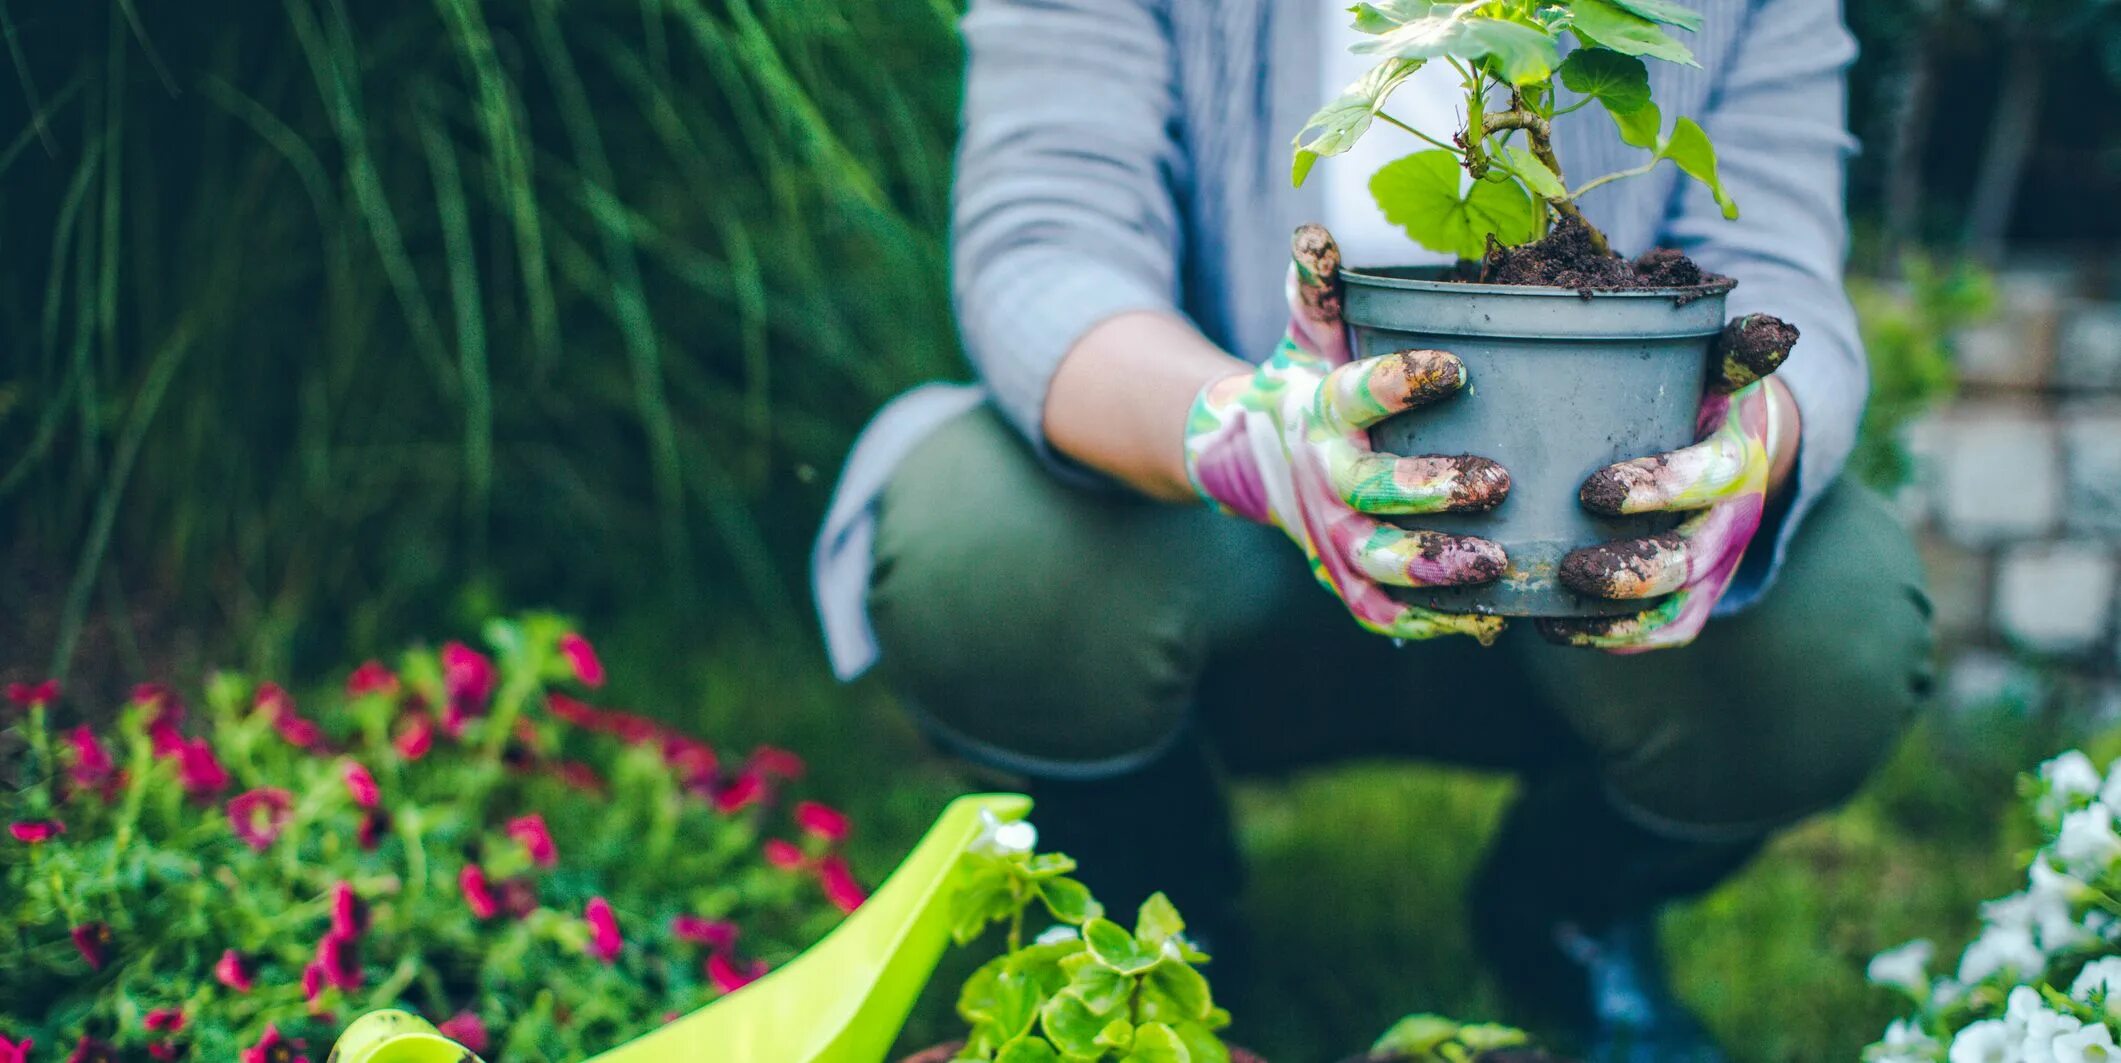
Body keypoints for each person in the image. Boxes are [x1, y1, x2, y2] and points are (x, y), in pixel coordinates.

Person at [810, 0, 1934, 1056]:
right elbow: (1044, 247)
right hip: (1203, 519)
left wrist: (1754, 439)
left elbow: (1778, 260)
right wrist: (1247, 435)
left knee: (1834, 622)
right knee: (981, 545)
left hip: (1581, 533)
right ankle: (1159, 894)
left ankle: (1570, 906)